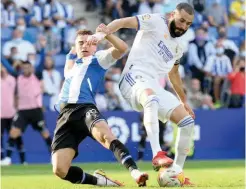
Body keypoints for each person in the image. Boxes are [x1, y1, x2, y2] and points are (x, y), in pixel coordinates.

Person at [89, 2, 196, 186]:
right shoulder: (155, 21)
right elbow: (122, 22)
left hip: (153, 85)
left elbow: (174, 74)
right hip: (132, 79)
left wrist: (183, 101)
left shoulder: (178, 45)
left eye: (188, 24)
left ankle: (176, 173)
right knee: (151, 97)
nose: (183, 26)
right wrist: (102, 33)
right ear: (172, 14)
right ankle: (157, 154)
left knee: (187, 122)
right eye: (181, 21)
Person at [51, 29, 148, 187]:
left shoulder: (98, 58)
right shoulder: (70, 67)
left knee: (107, 137)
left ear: (95, 46)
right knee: (60, 170)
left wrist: (106, 34)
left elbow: (122, 48)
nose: (85, 46)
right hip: (64, 117)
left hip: (84, 109)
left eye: (90, 43)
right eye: (81, 43)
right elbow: (70, 56)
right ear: (76, 46)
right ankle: (101, 181)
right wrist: (71, 51)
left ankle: (135, 172)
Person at [1, 40, 52, 166]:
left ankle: (54, 156)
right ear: (21, 68)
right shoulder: (17, 76)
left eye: (28, 67)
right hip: (22, 111)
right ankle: (7, 159)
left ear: (31, 67)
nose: (26, 69)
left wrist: (43, 49)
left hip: (36, 110)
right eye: (24, 67)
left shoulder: (37, 74)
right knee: (13, 132)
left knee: (44, 133)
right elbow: (5, 64)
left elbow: (41, 62)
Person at [0, 64, 26, 164]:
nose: (1, 70)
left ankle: (23, 161)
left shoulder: (12, 80)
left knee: (17, 136)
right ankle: (2, 160)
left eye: (3, 67)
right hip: (1, 115)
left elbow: (17, 95)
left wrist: (17, 109)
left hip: (12, 114)